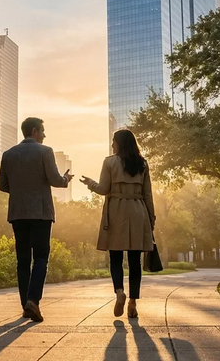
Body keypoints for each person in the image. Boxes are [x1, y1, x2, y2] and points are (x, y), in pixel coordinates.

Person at [0, 117, 73, 323]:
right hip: (40, 213)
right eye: (42, 131)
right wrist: (66, 179)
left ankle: (25, 306)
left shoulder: (8, 154)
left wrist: (20, 190)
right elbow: (55, 180)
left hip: (17, 213)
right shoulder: (45, 151)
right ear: (34, 131)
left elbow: (2, 185)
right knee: (41, 256)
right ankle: (33, 301)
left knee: (22, 259)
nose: (44, 135)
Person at [80, 129, 155, 319]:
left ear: (119, 143)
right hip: (139, 211)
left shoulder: (109, 162)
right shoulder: (143, 164)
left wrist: (91, 184)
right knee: (134, 260)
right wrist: (151, 218)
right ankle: (132, 302)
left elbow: (104, 189)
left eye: (114, 141)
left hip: (116, 211)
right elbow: (148, 194)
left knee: (115, 257)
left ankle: (120, 292)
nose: (112, 144)